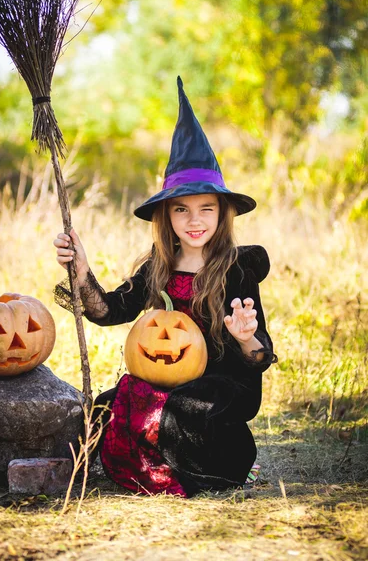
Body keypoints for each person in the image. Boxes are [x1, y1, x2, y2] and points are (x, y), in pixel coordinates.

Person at [53, 77, 277, 497]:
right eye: (182, 209)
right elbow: (110, 311)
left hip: (222, 384)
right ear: (166, 216)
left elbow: (259, 354)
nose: (195, 220)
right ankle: (132, 469)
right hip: (165, 377)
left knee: (183, 409)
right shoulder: (158, 266)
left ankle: (207, 472)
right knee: (106, 405)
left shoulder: (236, 268)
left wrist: (246, 338)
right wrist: (82, 272)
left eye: (206, 208)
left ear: (223, 212)